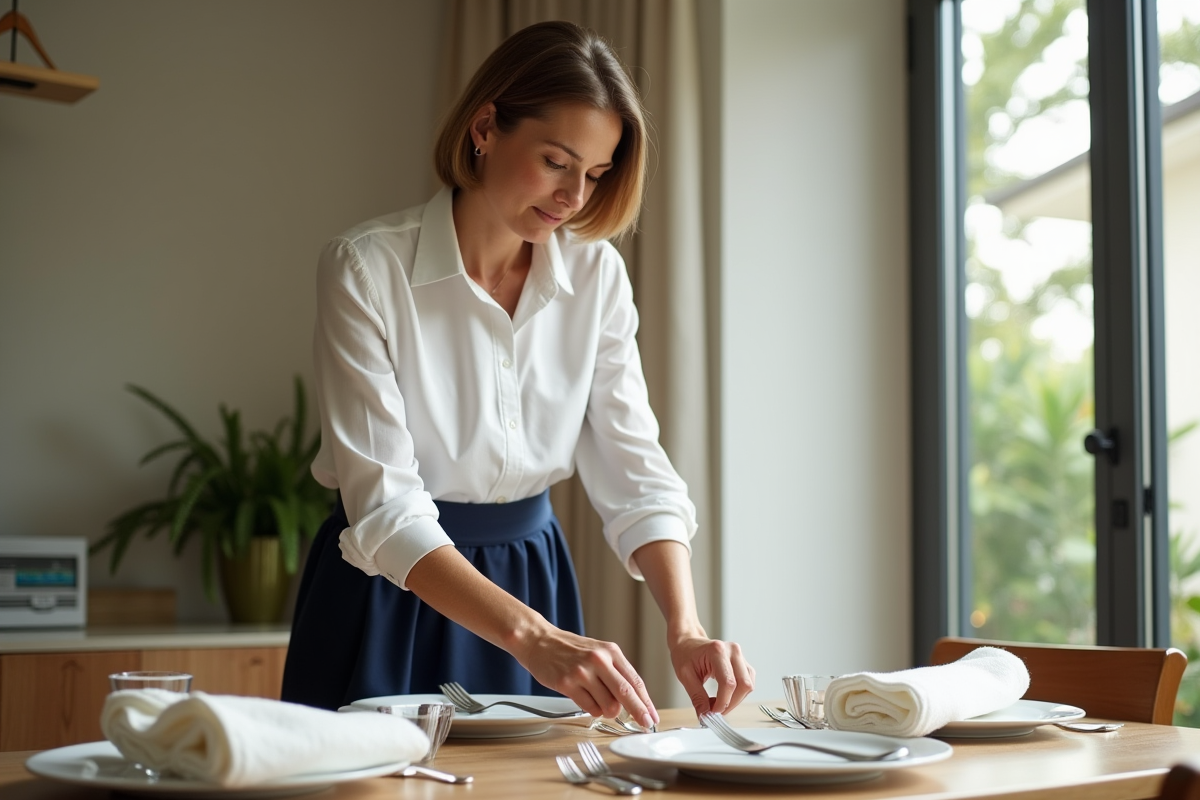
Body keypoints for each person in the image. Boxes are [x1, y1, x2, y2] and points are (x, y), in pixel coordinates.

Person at [280, 20, 754, 729]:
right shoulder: (366, 268)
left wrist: (684, 626)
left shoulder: (596, 279)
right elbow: (385, 508)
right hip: (389, 589)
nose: (574, 198)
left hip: (535, 581)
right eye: (557, 161)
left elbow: (637, 472)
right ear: (485, 127)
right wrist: (533, 637)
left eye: (595, 175)